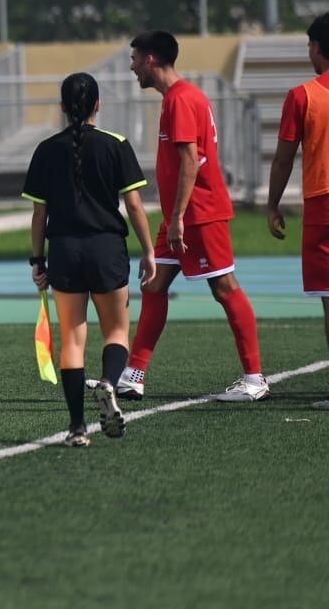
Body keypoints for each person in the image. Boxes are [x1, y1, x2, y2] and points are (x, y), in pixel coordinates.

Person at [120, 30, 269, 402]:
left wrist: (179, 218)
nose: (133, 66)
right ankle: (133, 374)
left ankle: (254, 380)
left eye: (136, 58)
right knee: (153, 283)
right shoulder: (177, 98)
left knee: (225, 287)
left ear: (152, 60)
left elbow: (191, 160)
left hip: (198, 215)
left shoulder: (181, 99)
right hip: (182, 215)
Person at [22, 73, 156, 447]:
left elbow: (39, 215)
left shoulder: (46, 150)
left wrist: (37, 260)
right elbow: (133, 205)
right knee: (116, 332)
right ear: (98, 104)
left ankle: (77, 428)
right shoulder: (116, 145)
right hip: (106, 250)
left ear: (63, 107)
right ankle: (110, 385)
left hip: (64, 251)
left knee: (72, 340)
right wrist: (148, 251)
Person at [265, 13, 329, 409]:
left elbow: (284, 158)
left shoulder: (303, 96)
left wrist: (272, 204)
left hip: (323, 201)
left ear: (318, 48)